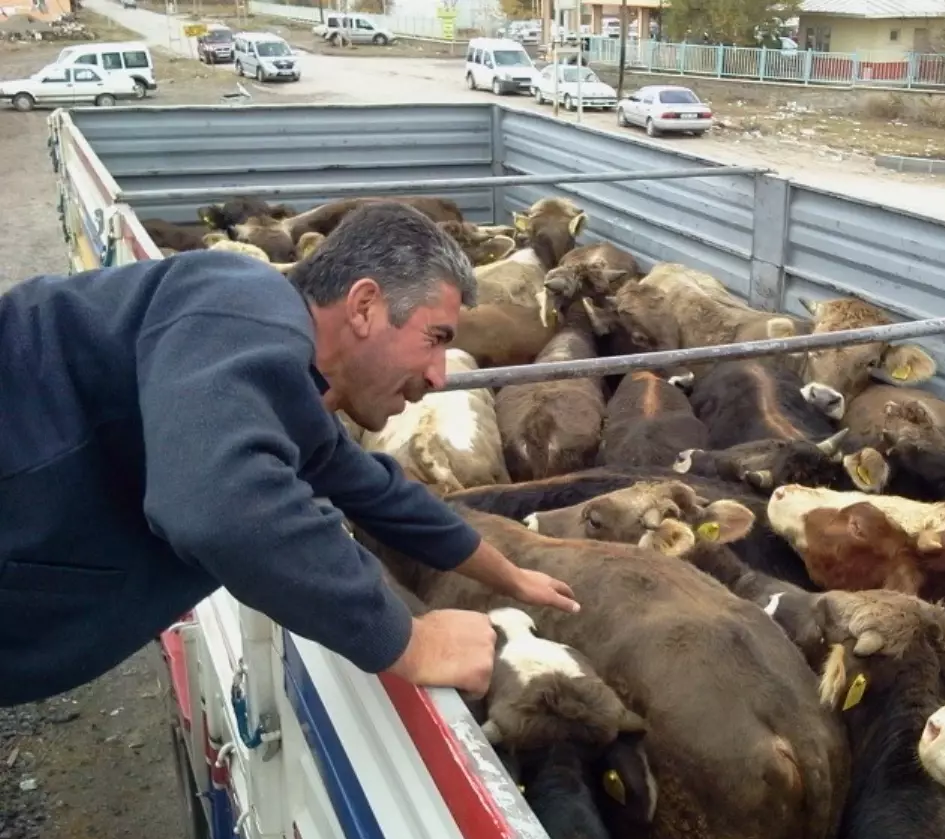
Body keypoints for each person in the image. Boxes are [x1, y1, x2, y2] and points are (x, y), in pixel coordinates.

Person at [0, 202, 577, 708]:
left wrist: (513, 575)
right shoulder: (240, 301)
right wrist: (410, 642)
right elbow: (217, 508)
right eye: (436, 339)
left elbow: (371, 488)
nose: (436, 375)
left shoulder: (283, 385)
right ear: (365, 306)